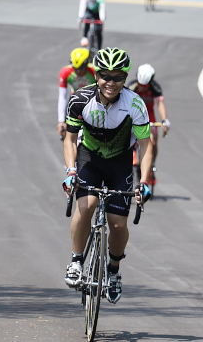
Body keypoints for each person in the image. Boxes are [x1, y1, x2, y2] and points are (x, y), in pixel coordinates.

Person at [62, 48, 153, 304]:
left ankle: (113, 271)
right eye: (105, 76)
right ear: (96, 75)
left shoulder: (135, 104)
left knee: (117, 223)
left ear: (125, 78)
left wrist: (144, 181)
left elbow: (146, 145)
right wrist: (70, 171)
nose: (110, 83)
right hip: (89, 157)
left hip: (120, 162)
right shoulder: (80, 99)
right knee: (87, 205)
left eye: (117, 77)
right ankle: (77, 261)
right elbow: (69, 139)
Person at [127, 64, 170, 186]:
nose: (143, 88)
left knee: (152, 141)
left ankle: (151, 164)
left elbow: (160, 104)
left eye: (145, 86)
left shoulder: (155, 87)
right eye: (141, 85)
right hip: (135, 114)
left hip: (149, 114)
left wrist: (164, 119)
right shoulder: (132, 86)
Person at [57, 48, 97, 138]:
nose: (78, 71)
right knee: (66, 133)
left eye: (81, 68)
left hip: (92, 102)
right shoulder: (65, 72)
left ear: (87, 64)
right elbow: (62, 97)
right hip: (75, 101)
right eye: (75, 68)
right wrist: (61, 121)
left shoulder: (94, 71)